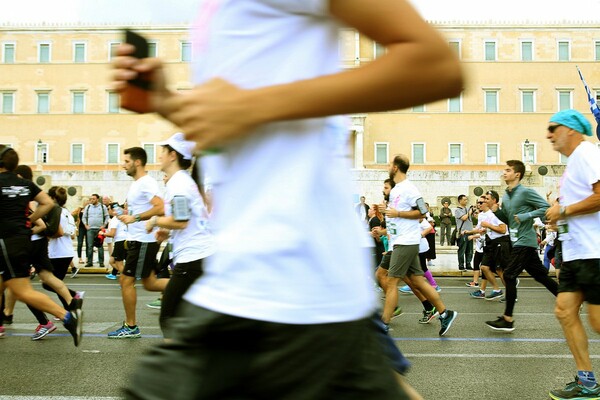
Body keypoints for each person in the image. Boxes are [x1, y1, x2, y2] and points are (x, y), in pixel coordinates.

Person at [112, 0, 463, 397]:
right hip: (268, 283)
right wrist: (167, 102)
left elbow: (434, 64)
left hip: (286, 289)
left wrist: (252, 105)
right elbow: (246, 132)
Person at [0, 145, 83, 345]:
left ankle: (67, 317)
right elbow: (47, 203)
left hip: (5, 241)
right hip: (20, 240)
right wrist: (28, 220)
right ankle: (5, 316)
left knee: (22, 290)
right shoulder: (26, 185)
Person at [544, 110, 600, 399]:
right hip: (576, 251)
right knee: (565, 311)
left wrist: (563, 210)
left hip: (595, 251)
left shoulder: (587, 152)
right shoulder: (573, 162)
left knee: (598, 323)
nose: (548, 134)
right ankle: (588, 382)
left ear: (571, 129)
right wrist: (559, 218)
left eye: (553, 128)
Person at [144, 133, 214, 337]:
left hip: (194, 256)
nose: (159, 156)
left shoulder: (178, 184)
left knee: (169, 317)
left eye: (163, 151)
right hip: (200, 254)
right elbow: (185, 218)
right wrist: (167, 230)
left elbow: (181, 220)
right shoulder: (183, 181)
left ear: (172, 155)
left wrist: (156, 221)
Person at [381, 155, 457, 335]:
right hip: (401, 241)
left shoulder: (409, 188)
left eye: (390, 164)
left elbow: (423, 212)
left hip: (406, 242)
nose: (387, 166)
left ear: (396, 168)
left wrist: (398, 213)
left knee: (391, 282)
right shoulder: (397, 189)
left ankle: (383, 323)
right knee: (417, 280)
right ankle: (445, 313)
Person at [485, 160, 558, 332]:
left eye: (508, 170)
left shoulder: (525, 192)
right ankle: (569, 300)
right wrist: (496, 210)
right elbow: (510, 220)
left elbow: (546, 208)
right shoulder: (507, 195)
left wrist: (527, 216)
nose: (504, 173)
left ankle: (508, 319)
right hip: (516, 241)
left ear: (517, 174)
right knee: (541, 276)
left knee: (509, 275)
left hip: (525, 241)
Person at [108, 147, 167, 339]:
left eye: (126, 161)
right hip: (138, 239)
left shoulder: (146, 182)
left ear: (137, 162)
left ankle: (131, 326)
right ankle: (188, 285)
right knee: (150, 283)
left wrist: (135, 217)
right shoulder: (137, 184)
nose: (123, 164)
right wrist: (126, 215)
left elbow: (160, 206)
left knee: (126, 280)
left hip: (143, 240)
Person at [82, 194, 109, 268]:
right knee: (90, 246)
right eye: (91, 199)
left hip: (99, 230)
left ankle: (101, 262)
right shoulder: (88, 207)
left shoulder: (102, 207)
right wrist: (86, 225)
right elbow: (84, 217)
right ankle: (89, 262)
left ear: (97, 199)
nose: (91, 200)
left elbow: (107, 216)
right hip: (90, 229)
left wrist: (104, 225)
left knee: (100, 246)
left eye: (93, 199)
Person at [104, 203, 128, 280]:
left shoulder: (114, 220)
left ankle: (127, 278)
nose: (107, 211)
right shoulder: (122, 218)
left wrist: (103, 233)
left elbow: (112, 234)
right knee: (112, 261)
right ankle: (125, 276)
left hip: (120, 241)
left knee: (118, 262)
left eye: (108, 209)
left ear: (112, 210)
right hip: (126, 240)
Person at [455, 194, 474, 270]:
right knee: (462, 249)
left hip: (470, 232)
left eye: (466, 199)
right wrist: (469, 212)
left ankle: (468, 264)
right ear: (460, 201)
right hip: (463, 233)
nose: (466, 201)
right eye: (464, 199)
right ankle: (461, 265)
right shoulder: (458, 210)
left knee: (470, 250)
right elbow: (464, 218)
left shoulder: (467, 209)